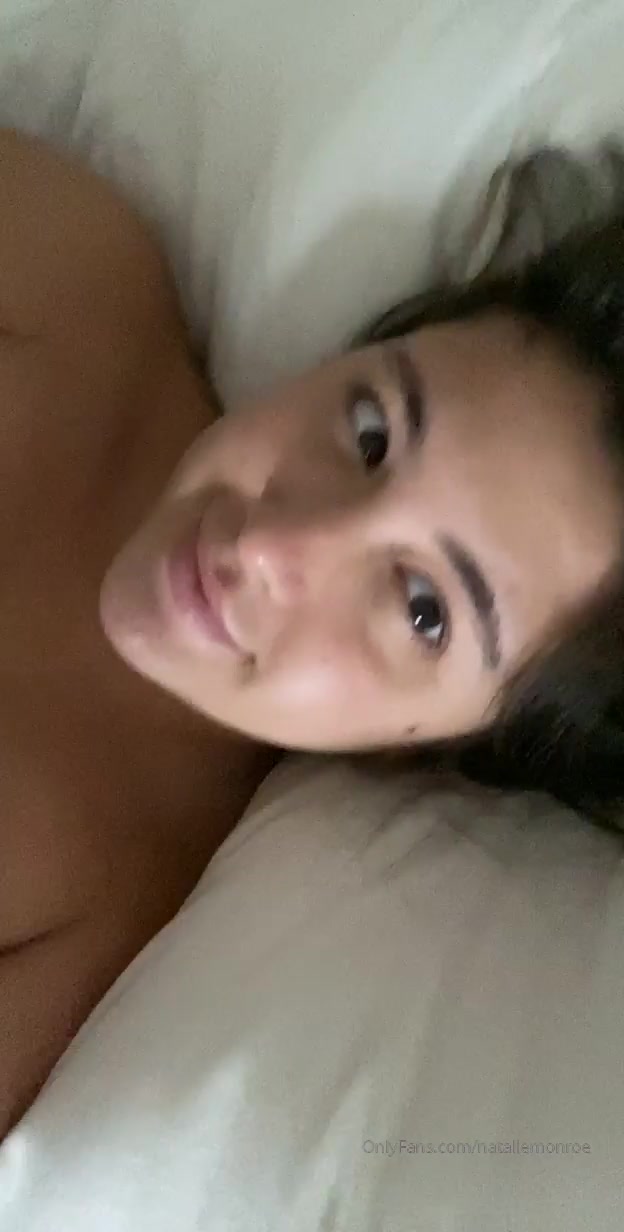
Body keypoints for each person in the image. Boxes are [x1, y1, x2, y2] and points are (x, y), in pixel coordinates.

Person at [1, 127, 624, 1139]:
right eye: (369, 433)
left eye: (423, 609)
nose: (272, 544)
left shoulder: (85, 922)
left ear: (450, 739)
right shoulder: (68, 274)